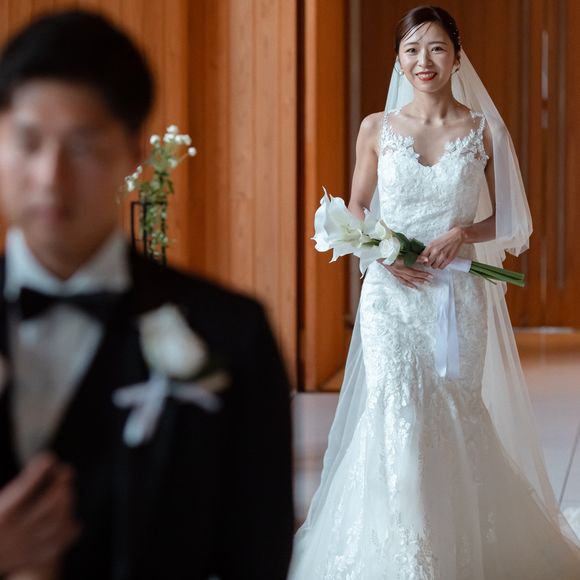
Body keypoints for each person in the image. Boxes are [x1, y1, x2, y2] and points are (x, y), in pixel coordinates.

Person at [0, 9, 293, 580]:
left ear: (133, 151)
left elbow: (257, 553)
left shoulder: (230, 333)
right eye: (28, 142)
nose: (50, 177)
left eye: (82, 146)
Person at [289, 5, 580, 579]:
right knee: (397, 404)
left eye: (437, 48)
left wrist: (462, 233)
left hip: (456, 298)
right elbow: (356, 207)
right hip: (390, 297)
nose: (424, 61)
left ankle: (459, 538)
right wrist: (382, 253)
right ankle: (403, 550)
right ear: (399, 59)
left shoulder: (483, 131)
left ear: (457, 57)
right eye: (412, 49)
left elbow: (510, 222)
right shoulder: (376, 128)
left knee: (451, 406)